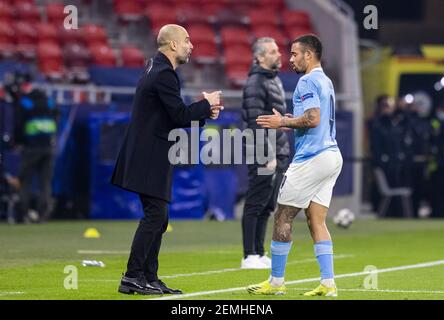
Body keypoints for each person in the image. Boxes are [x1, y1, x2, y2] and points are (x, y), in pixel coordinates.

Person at [111, 24, 223, 295]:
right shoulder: (164, 74)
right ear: (172, 45)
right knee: (155, 215)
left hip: (147, 153)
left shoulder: (156, 68)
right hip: (149, 155)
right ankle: (133, 276)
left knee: (158, 217)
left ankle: (148, 277)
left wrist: (203, 110)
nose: (191, 45)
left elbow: (173, 113)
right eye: (187, 40)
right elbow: (179, 116)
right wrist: (207, 105)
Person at [247, 34, 343, 296]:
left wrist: (283, 123)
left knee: (282, 216)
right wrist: (292, 118)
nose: (290, 59)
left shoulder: (307, 80)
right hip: (332, 155)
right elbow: (315, 118)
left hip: (312, 158)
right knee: (316, 220)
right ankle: (328, 283)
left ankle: (276, 282)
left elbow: (312, 119)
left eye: (294, 54)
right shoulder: (326, 80)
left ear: (308, 55)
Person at [240, 37, 290, 269]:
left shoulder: (273, 79)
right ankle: (249, 254)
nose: (278, 54)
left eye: (277, 50)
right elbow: (254, 121)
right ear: (259, 57)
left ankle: (259, 252)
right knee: (255, 202)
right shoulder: (256, 83)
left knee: (268, 204)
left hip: (277, 149)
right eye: (272, 51)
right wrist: (266, 154)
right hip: (264, 150)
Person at [11, 73, 57, 223]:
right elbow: (57, 117)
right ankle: (43, 214)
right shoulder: (49, 101)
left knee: (25, 180)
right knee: (45, 182)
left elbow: (18, 125)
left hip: (31, 147)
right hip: (48, 146)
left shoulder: (25, 103)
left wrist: (18, 141)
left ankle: (24, 214)